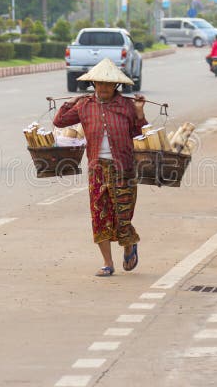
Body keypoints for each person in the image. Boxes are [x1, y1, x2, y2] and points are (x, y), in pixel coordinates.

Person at [54, 58, 148, 277]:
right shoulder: (84, 105)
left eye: (108, 84)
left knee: (122, 214)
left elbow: (140, 132)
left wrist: (140, 112)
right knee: (99, 215)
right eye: (99, 83)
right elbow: (59, 122)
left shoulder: (126, 106)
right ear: (93, 84)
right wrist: (70, 102)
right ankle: (108, 263)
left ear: (116, 85)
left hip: (124, 167)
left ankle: (129, 244)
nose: (104, 87)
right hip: (97, 169)